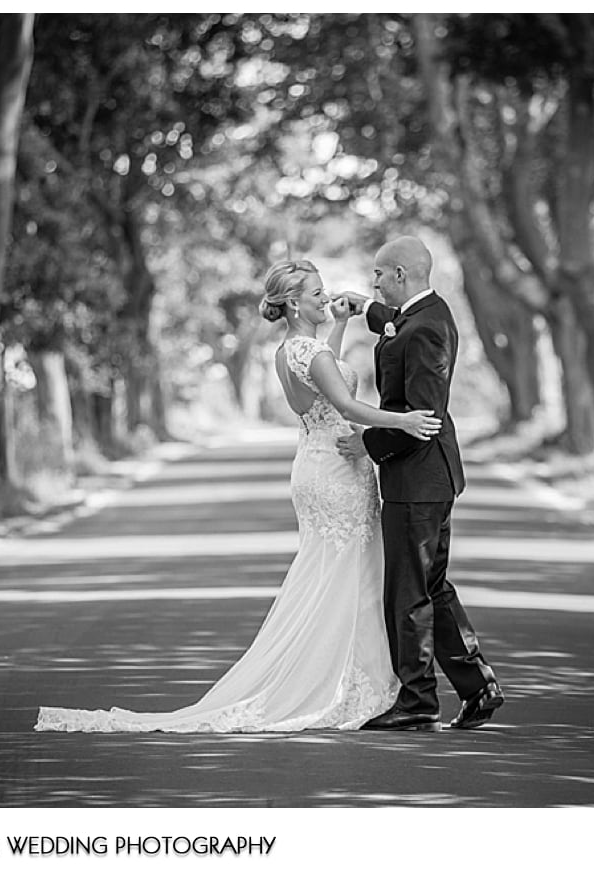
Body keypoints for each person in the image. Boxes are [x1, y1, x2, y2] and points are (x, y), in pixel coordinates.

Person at [34, 259, 441, 733]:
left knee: (330, 574)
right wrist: (405, 421)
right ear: (293, 302)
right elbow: (347, 404)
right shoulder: (313, 353)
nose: (325, 297)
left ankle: (343, 676)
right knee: (353, 573)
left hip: (314, 463)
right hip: (338, 470)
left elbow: (323, 389)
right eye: (316, 292)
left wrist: (342, 325)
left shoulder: (289, 351)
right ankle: (350, 683)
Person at [336, 236, 504, 732]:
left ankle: (417, 700)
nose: (374, 281)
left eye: (378, 276)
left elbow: (421, 417)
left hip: (419, 478)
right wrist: (363, 306)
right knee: (432, 586)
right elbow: (392, 325)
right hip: (428, 478)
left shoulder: (426, 327)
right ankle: (478, 687)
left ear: (401, 275)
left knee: (407, 593)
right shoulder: (421, 313)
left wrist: (369, 444)